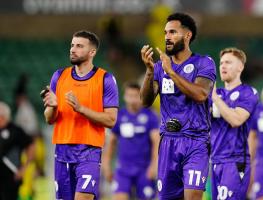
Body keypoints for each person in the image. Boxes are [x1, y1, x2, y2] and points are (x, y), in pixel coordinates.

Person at [140, 12, 216, 200]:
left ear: (187, 35)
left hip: (196, 141)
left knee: (193, 195)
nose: (167, 37)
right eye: (166, 33)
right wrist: (150, 72)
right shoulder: (159, 67)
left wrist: (171, 72)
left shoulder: (204, 63)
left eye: (173, 32)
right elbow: (145, 101)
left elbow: (200, 94)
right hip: (168, 142)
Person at [42, 30, 119, 200]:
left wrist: (81, 108)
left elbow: (111, 120)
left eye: (79, 46)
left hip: (89, 150)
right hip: (62, 150)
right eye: (72, 45)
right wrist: (53, 107)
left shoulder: (105, 79)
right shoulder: (59, 76)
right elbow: (49, 119)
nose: (73, 49)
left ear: (92, 52)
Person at [209, 47, 259, 200]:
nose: (223, 66)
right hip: (215, 160)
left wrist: (215, 99)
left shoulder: (248, 93)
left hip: (235, 161)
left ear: (240, 67)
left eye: (228, 62)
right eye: (221, 63)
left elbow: (236, 120)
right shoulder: (215, 94)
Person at [102, 82, 160, 200]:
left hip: (144, 169)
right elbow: (111, 142)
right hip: (123, 169)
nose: (132, 100)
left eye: (135, 96)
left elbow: (156, 142)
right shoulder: (119, 116)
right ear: (124, 97)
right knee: (119, 197)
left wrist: (154, 165)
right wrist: (106, 165)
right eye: (129, 96)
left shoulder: (150, 116)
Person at [0, 101, 35, 200]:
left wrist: (24, 168)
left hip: (11, 176)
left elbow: (31, 146)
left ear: (3, 116)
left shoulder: (16, 131)